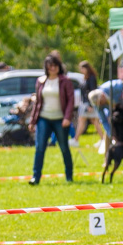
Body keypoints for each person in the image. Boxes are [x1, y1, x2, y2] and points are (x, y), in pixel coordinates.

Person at [28, 54, 74, 185]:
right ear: (46, 68)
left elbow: (71, 101)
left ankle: (69, 176)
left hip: (60, 119)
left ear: (59, 67)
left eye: (55, 66)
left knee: (64, 148)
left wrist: (67, 118)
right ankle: (35, 177)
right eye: (50, 66)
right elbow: (37, 102)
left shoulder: (66, 81)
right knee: (40, 148)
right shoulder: (41, 81)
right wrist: (32, 121)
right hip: (44, 118)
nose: (53, 68)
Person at [72, 60, 106, 151]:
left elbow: (92, 91)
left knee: (87, 121)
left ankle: (76, 139)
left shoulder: (91, 78)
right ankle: (102, 139)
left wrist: (91, 104)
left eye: (82, 68)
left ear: (87, 68)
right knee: (93, 121)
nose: (81, 70)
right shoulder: (85, 78)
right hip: (84, 103)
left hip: (89, 103)